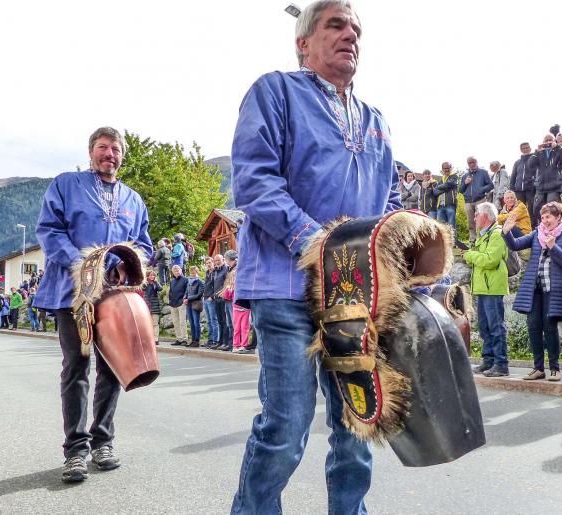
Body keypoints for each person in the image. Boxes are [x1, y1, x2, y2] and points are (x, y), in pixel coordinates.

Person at [229, 1, 402, 511]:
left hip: (354, 296)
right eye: (335, 24)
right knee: (286, 424)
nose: (350, 34)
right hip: (284, 285)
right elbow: (254, 181)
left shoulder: (375, 120)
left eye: (355, 28)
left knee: (357, 423)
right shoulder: (275, 91)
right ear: (303, 42)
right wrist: (314, 241)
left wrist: (402, 253)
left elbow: (389, 200)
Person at [33, 126, 153, 482]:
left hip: (115, 297)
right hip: (71, 293)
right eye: (102, 148)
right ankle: (76, 451)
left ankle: (103, 440)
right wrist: (84, 265)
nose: (109, 155)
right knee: (76, 367)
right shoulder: (65, 184)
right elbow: (49, 231)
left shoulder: (133, 199)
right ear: (91, 152)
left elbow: (143, 245)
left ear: (122, 156)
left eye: (115, 149)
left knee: (113, 369)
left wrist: (123, 263)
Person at [503, 202, 562, 381]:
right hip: (534, 289)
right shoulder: (537, 233)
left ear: (558, 217)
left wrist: (553, 247)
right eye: (543, 217)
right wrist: (507, 231)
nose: (545, 220)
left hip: (554, 289)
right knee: (533, 326)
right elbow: (516, 245)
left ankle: (555, 368)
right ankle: (538, 368)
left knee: (550, 328)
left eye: (549, 216)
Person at [464, 202, 509, 377]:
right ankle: (488, 360)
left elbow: (491, 260)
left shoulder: (497, 234)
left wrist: (470, 255)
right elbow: (479, 260)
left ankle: (501, 363)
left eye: (477, 214)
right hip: (483, 288)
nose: (474, 217)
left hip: (492, 288)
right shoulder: (484, 236)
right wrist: (472, 256)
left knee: (496, 326)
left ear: (486, 216)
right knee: (484, 326)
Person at [529, 133, 562, 221]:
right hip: (540, 186)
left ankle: (556, 224)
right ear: (543, 142)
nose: (548, 142)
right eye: (546, 140)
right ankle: (542, 225)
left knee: (553, 207)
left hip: (554, 186)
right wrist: (537, 151)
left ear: (554, 141)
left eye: (550, 140)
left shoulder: (557, 150)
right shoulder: (539, 152)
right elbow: (530, 164)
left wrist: (558, 148)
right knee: (537, 208)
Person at [459, 157, 494, 246]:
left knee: (482, 220)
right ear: (468, 164)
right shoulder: (464, 176)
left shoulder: (483, 172)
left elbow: (491, 185)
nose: (472, 164)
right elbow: (461, 190)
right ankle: (472, 241)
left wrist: (481, 189)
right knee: (471, 222)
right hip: (468, 202)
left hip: (480, 200)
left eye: (473, 162)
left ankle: (482, 239)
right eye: (469, 163)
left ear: (476, 162)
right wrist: (465, 183)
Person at [510, 142, 536, 228]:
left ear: (530, 148)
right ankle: (520, 228)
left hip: (531, 189)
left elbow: (537, 173)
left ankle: (533, 227)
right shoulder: (517, 162)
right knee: (519, 210)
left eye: (527, 147)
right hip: (518, 190)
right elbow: (513, 176)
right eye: (524, 148)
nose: (525, 149)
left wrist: (534, 184)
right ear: (521, 150)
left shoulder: (534, 159)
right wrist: (512, 189)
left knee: (532, 209)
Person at [218, 250, 238, 352]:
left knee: (233, 323)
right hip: (227, 299)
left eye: (226, 258)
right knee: (229, 323)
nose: (225, 261)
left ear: (231, 259)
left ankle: (235, 343)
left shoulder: (236, 269)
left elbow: (233, 284)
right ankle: (230, 343)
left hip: (232, 299)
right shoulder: (230, 269)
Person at [433, 161, 459, 233]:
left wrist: (439, 187)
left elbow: (449, 184)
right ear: (442, 169)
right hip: (440, 206)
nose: (447, 170)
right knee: (441, 228)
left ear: (451, 168)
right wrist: (445, 187)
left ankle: (453, 243)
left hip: (450, 205)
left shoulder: (454, 176)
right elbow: (435, 192)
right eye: (445, 168)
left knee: (451, 227)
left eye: (448, 168)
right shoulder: (441, 180)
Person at [201, 256, 220, 348]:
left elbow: (217, 286)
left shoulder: (216, 272)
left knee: (214, 320)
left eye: (210, 262)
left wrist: (212, 297)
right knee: (209, 321)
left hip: (211, 299)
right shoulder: (207, 272)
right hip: (205, 299)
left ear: (213, 263)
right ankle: (210, 340)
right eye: (207, 263)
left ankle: (215, 340)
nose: (208, 264)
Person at [212, 253, 229, 350]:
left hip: (224, 299)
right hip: (216, 299)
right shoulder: (216, 271)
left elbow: (227, 283)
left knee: (225, 321)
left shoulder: (226, 269)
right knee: (220, 321)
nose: (217, 262)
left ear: (223, 259)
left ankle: (226, 342)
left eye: (218, 260)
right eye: (215, 260)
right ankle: (220, 341)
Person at [168, 265, 189, 346]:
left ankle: (185, 339)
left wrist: (185, 299)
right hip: (173, 303)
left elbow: (187, 290)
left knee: (182, 322)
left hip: (181, 303)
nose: (176, 271)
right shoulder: (172, 281)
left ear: (181, 270)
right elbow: (170, 292)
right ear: (173, 272)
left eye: (178, 270)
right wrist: (170, 301)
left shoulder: (185, 279)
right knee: (175, 322)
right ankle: (179, 339)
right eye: (174, 270)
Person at [185, 265, 205, 347]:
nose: (193, 274)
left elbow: (199, 294)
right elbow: (186, 291)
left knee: (196, 322)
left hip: (196, 304)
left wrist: (188, 298)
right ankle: (193, 340)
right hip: (189, 304)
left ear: (197, 272)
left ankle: (197, 340)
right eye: (191, 272)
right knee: (191, 323)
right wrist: (184, 298)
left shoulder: (200, 282)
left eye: (194, 272)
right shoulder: (189, 281)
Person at [143, 270, 163, 346]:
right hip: (147, 305)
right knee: (147, 324)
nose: (152, 276)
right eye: (151, 275)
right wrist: (146, 281)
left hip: (155, 306)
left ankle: (156, 339)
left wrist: (156, 282)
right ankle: (148, 339)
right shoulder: (145, 283)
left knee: (155, 323)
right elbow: (142, 288)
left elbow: (160, 288)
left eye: (153, 275)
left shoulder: (155, 284)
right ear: (147, 276)